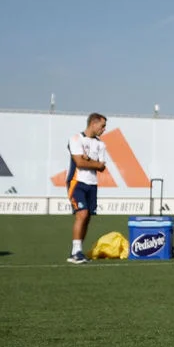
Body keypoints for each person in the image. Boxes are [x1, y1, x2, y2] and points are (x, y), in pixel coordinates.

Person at [66, 113, 107, 264]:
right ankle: (76, 252)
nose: (104, 129)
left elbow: (102, 166)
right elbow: (79, 163)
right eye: (102, 126)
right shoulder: (76, 138)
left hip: (92, 184)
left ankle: (77, 252)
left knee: (87, 217)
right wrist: (93, 163)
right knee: (82, 214)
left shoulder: (101, 144)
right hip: (77, 182)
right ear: (93, 124)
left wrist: (88, 159)